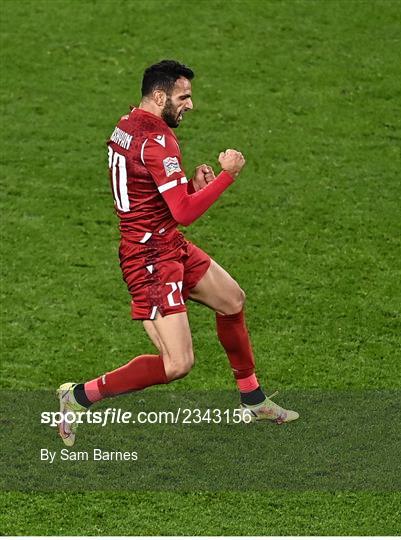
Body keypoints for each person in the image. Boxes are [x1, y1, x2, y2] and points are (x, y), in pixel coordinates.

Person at [57, 60, 298, 446]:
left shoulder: (126, 125)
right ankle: (79, 397)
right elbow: (184, 212)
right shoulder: (158, 140)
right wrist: (225, 177)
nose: (190, 105)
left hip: (164, 242)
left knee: (232, 300)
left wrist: (188, 184)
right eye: (183, 96)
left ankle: (252, 399)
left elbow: (154, 195)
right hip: (150, 259)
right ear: (159, 95)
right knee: (178, 364)